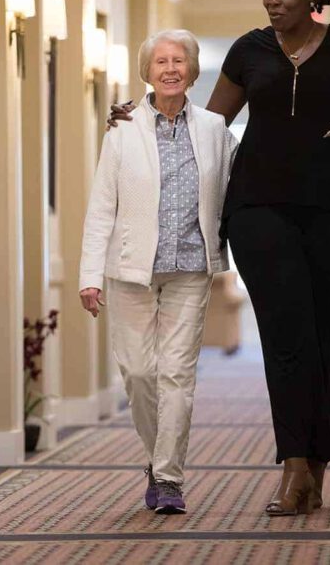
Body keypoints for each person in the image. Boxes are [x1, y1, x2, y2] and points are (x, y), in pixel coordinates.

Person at [108, 0, 330, 517]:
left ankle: (317, 464)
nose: (274, 2)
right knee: (285, 336)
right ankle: (294, 465)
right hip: (259, 207)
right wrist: (140, 115)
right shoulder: (248, 50)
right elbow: (206, 125)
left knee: (320, 335)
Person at [79, 30, 238, 514]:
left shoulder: (214, 128)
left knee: (176, 374)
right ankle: (157, 458)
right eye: (161, 61)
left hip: (190, 266)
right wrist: (89, 273)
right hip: (130, 270)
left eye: (179, 60)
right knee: (139, 372)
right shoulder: (122, 127)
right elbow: (102, 206)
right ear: (147, 71)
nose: (171, 68)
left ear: (191, 70)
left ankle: (168, 477)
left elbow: (239, 185)